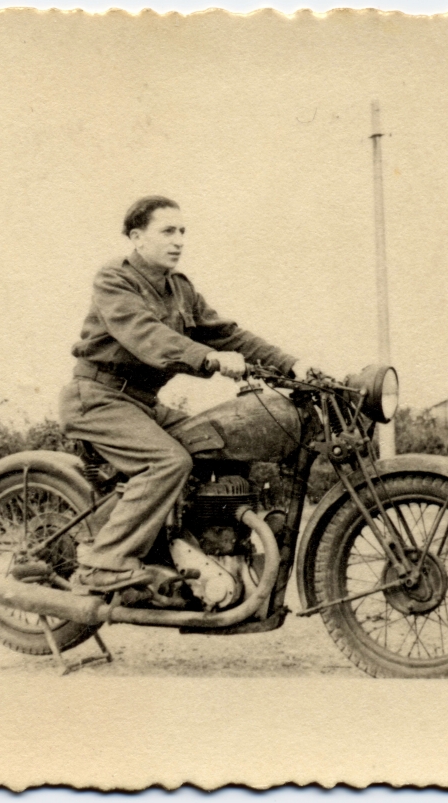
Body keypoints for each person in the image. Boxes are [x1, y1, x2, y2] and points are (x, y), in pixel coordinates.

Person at [59, 195, 312, 594]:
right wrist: (208, 359)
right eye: (167, 231)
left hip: (142, 403)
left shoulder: (179, 288)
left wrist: (290, 364)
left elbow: (227, 333)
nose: (178, 240)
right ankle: (104, 566)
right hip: (97, 397)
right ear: (137, 237)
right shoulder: (114, 279)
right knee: (168, 462)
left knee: (215, 443)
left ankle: (188, 551)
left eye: (182, 231)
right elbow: (145, 334)